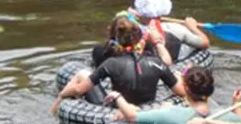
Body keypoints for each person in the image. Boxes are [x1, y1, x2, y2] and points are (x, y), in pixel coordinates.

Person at [50, 15, 185, 114]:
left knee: (83, 74)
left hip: (118, 109)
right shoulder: (157, 62)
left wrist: (63, 95)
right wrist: (179, 77)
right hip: (149, 107)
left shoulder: (111, 63)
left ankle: (54, 107)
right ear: (141, 41)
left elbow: (79, 90)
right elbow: (181, 92)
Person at [109, 66, 241, 124]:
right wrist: (237, 104)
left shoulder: (173, 113)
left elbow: (132, 116)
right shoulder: (225, 115)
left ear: (185, 88)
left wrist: (117, 96)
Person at [129, 0, 210, 66]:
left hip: (143, 65)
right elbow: (205, 43)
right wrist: (193, 28)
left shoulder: (132, 29)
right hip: (171, 64)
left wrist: (131, 16)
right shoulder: (175, 28)